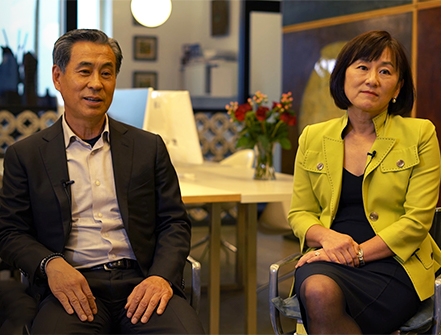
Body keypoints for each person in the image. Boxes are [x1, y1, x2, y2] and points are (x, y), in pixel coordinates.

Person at [0, 28, 205, 334]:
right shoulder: (25, 155)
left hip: (142, 282)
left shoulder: (148, 147)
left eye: (106, 73)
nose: (96, 84)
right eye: (84, 71)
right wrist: (50, 265)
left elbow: (174, 222)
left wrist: (161, 277)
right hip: (70, 287)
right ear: (58, 77)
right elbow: (10, 233)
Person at [288, 30, 441, 334]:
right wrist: (329, 240)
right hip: (328, 257)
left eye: (385, 71)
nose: (372, 79)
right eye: (362, 67)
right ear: (342, 76)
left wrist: (357, 254)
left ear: (397, 87)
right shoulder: (313, 137)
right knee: (319, 290)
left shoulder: (421, 133)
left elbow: (417, 221)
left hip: (396, 262)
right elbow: (299, 213)